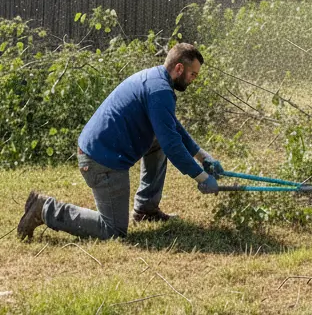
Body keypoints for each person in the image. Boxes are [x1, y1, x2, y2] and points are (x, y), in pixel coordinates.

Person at [16, 43, 223, 241]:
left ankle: (146, 209)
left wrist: (202, 157)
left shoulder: (156, 79)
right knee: (112, 230)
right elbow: (173, 146)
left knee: (159, 140)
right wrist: (201, 177)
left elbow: (172, 129)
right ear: (179, 68)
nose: (193, 79)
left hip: (102, 149)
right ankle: (44, 209)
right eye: (192, 74)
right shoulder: (159, 91)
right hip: (100, 161)